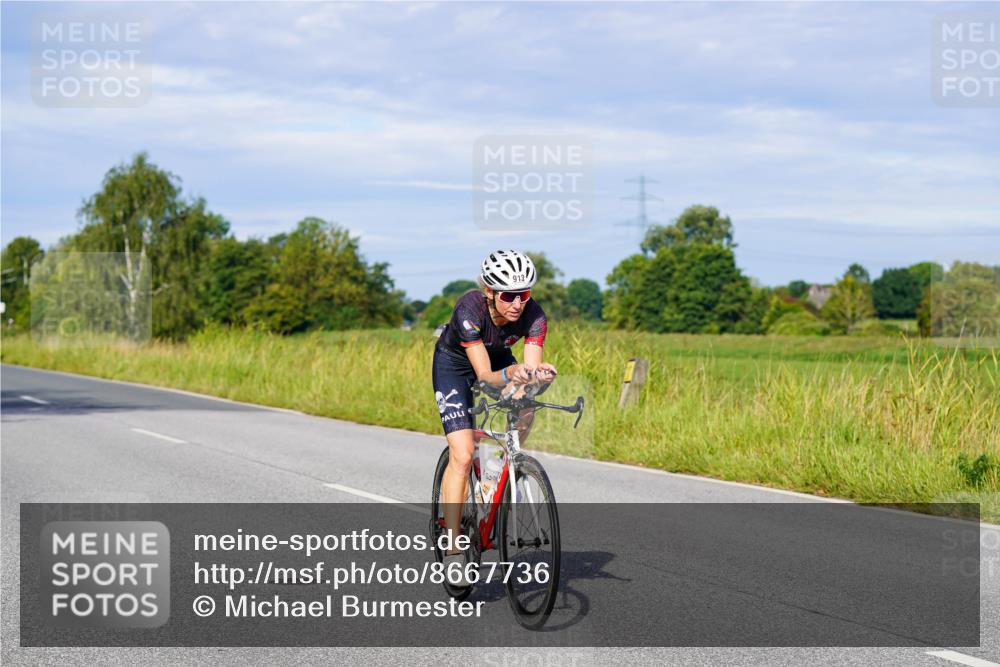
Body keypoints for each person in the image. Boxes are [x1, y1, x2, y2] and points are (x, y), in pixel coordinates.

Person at [432, 250, 558, 584]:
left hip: (500, 359)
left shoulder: (534, 316)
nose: (518, 303)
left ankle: (505, 466)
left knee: (526, 402)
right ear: (490, 292)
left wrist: (537, 375)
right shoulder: (469, 309)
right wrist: (514, 372)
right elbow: (485, 375)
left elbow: (528, 367)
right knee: (461, 455)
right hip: (457, 367)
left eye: (524, 294)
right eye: (508, 295)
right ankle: (455, 548)